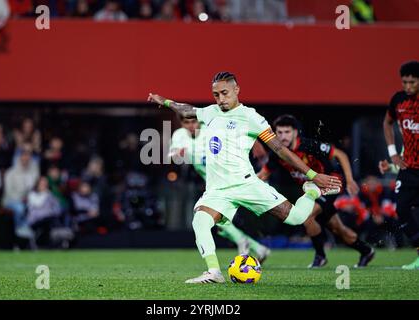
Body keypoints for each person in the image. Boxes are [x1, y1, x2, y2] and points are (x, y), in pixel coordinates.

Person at [148, 71, 342, 283]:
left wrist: (312, 175)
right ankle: (214, 272)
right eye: (216, 95)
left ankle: (311, 191)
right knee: (200, 221)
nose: (221, 99)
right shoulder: (210, 112)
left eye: (224, 93)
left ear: (236, 90)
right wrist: (165, 101)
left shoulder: (251, 117)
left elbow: (280, 150)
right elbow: (187, 109)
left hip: (246, 184)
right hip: (218, 190)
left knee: (296, 218)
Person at [257, 114, 374, 268]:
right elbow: (263, 174)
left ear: (295, 132)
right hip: (311, 192)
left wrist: (350, 179)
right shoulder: (277, 154)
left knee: (306, 216)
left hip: (329, 185)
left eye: (287, 132)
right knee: (338, 229)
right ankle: (366, 250)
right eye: (279, 132)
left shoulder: (308, 145)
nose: (283, 136)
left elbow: (340, 154)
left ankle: (320, 256)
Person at [169, 114, 271, 262]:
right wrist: (177, 154)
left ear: (199, 121)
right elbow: (173, 155)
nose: (191, 125)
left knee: (209, 217)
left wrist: (255, 143)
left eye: (193, 121)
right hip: (214, 184)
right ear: (181, 124)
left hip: (232, 178)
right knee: (218, 221)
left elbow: (238, 131)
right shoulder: (179, 135)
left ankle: (246, 242)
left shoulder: (211, 129)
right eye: (186, 122)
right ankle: (257, 247)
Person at [383, 60, 419, 270]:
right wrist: (393, 153)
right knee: (402, 209)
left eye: (412, 82)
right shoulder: (398, 100)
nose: (407, 86)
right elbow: (387, 122)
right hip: (409, 168)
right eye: (405, 82)